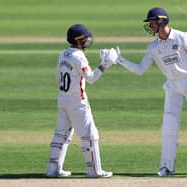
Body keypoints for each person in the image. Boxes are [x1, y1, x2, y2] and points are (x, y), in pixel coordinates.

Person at [105, 7, 187, 176]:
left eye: (152, 22)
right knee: (169, 125)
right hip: (172, 85)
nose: (150, 26)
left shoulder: (182, 37)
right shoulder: (153, 46)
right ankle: (167, 166)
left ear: (162, 21)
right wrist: (120, 60)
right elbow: (140, 69)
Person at [46, 24, 116, 178]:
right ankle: (94, 170)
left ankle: (53, 169)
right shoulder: (79, 56)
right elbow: (91, 78)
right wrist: (105, 64)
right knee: (90, 135)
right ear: (77, 40)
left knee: (61, 135)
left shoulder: (63, 54)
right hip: (78, 102)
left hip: (62, 99)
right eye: (84, 38)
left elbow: (58, 78)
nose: (87, 40)